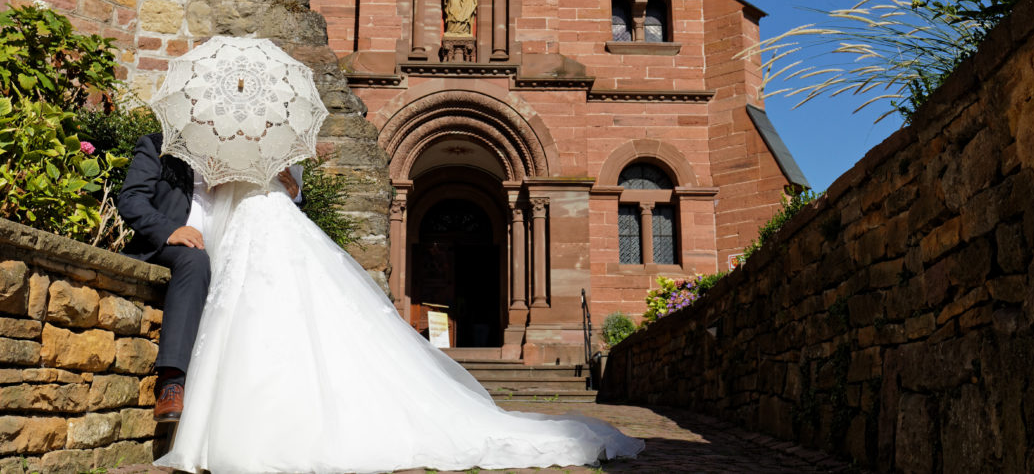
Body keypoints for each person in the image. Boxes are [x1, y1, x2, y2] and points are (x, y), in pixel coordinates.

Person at [152, 174, 644, 473]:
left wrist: (278, 176)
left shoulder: (274, 138)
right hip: (239, 233)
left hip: (268, 225)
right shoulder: (210, 145)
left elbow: (294, 190)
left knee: (277, 314)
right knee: (253, 318)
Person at [116, 135, 299, 423]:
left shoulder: (242, 157)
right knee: (194, 258)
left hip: (227, 248)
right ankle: (172, 382)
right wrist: (169, 230)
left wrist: (286, 195)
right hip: (172, 247)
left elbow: (269, 217)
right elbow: (131, 198)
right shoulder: (157, 146)